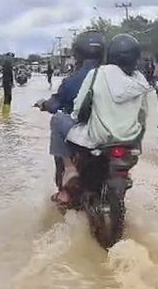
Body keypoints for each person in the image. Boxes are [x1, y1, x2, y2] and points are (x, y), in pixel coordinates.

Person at [35, 31, 105, 204]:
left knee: (57, 121)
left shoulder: (73, 79)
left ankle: (65, 188)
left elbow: (56, 104)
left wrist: (44, 104)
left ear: (78, 53)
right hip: (111, 134)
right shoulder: (114, 76)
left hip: (84, 134)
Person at [65, 33, 150, 157]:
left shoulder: (96, 74)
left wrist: (76, 118)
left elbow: (79, 107)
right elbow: (143, 114)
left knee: (61, 123)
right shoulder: (140, 81)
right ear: (136, 57)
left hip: (99, 140)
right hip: (130, 141)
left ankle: (70, 171)